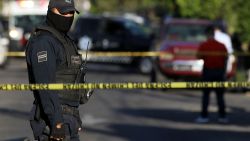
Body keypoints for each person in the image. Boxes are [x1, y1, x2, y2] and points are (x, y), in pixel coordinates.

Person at [26, 0, 93, 140]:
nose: (68, 16)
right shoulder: (44, 42)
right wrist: (56, 122)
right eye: (63, 12)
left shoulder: (64, 39)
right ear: (51, 10)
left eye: (71, 12)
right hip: (53, 120)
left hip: (68, 119)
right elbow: (46, 86)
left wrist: (74, 118)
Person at [195, 25, 228, 123]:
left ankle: (204, 116)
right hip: (219, 72)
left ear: (207, 34)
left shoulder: (204, 45)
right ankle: (222, 117)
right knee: (220, 96)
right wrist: (224, 72)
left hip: (208, 72)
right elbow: (226, 58)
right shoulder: (222, 46)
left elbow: (198, 56)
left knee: (206, 95)